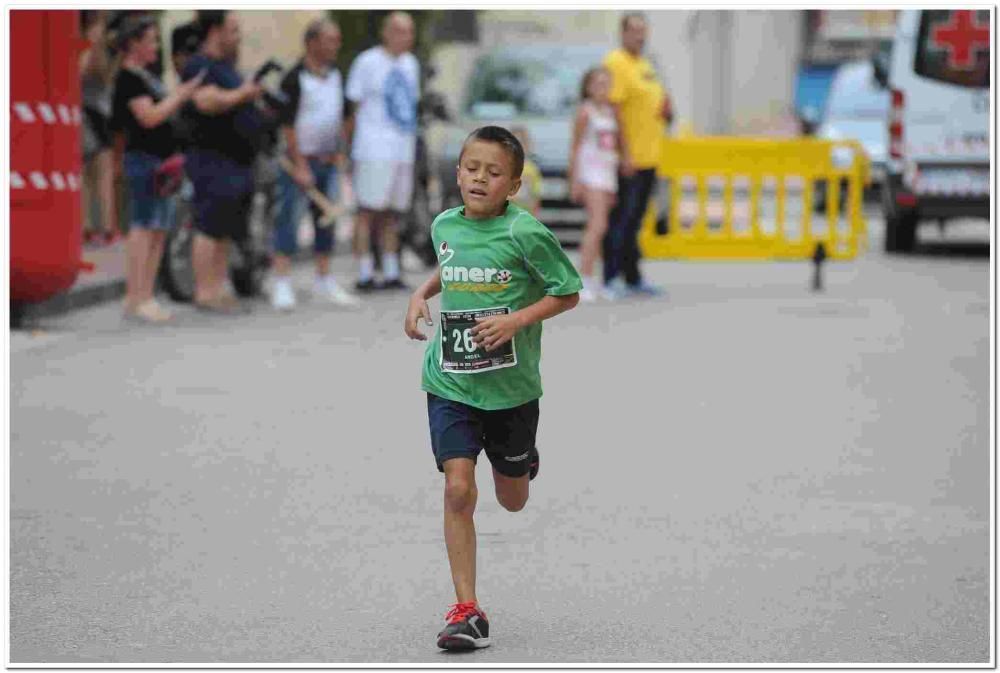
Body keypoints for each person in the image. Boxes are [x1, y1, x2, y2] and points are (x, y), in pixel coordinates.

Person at [403, 126, 581, 650]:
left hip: (511, 389)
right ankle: (468, 611)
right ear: (458, 172)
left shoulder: (526, 234)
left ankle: (522, 462)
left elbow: (567, 292)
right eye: (472, 167)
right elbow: (452, 263)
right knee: (458, 487)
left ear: (514, 185)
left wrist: (515, 321)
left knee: (513, 497)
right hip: (451, 380)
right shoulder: (444, 224)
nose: (480, 178)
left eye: (494, 172)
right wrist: (419, 293)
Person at [112, 15, 203, 323]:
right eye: (149, 40)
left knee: (160, 228)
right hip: (144, 161)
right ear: (133, 44)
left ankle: (147, 294)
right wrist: (181, 95)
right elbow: (148, 117)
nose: (155, 46)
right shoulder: (128, 78)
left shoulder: (147, 76)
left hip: (163, 162)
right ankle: (135, 296)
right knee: (143, 226)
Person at [270, 19, 359, 311]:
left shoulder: (336, 75)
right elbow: (287, 126)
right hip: (300, 163)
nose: (336, 46)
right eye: (330, 40)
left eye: (337, 40)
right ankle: (281, 281)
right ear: (311, 43)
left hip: (328, 162)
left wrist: (340, 150)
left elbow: (346, 114)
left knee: (327, 221)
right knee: (289, 220)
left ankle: (324, 278)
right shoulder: (294, 78)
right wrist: (299, 165)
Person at [181, 10, 264, 313]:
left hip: (237, 161)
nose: (238, 36)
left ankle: (217, 288)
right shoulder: (199, 66)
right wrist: (243, 93)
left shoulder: (227, 67)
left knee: (225, 228)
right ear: (215, 31)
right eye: (233, 30)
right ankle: (204, 292)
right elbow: (205, 101)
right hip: (211, 159)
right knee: (208, 226)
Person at [344, 11, 419, 292]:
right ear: (386, 32)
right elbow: (351, 109)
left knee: (392, 213)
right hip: (373, 148)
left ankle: (390, 270)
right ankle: (364, 273)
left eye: (410, 32)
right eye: (400, 31)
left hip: (402, 149)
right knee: (367, 211)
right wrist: (350, 148)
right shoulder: (367, 62)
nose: (406, 38)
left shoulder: (411, 64)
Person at [602, 12, 673, 298]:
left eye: (643, 31)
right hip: (629, 157)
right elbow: (615, 110)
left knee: (636, 220)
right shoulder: (616, 63)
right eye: (634, 31)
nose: (640, 36)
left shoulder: (645, 64)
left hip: (650, 155)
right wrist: (625, 153)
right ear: (622, 33)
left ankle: (633, 277)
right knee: (621, 219)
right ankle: (610, 277)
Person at [568, 67, 620, 302]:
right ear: (588, 87)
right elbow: (576, 147)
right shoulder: (585, 112)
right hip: (591, 174)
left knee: (603, 228)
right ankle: (584, 278)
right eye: (598, 84)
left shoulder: (610, 111)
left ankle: (596, 280)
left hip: (607, 173)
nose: (603, 89)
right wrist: (575, 180)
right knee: (596, 225)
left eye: (606, 84)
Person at [79, 10, 119, 246]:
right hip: (88, 109)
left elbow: (107, 78)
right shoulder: (89, 38)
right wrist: (93, 46)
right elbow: (79, 73)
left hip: (101, 110)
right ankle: (97, 227)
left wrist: (113, 55)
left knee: (98, 171)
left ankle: (100, 227)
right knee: (92, 170)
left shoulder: (105, 42)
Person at [509, 126, 542, 217]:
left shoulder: (532, 169)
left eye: (522, 142)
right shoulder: (503, 168)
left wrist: (535, 216)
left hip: (526, 214)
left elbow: (536, 195)